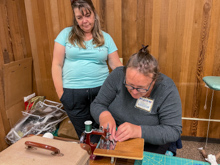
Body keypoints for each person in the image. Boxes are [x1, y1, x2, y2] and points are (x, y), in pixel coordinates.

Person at [90, 45, 182, 154]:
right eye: (129, 85)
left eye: (141, 88)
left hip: (149, 142)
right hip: (114, 135)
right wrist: (104, 116)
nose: (134, 92)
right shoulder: (117, 75)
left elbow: (173, 131)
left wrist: (138, 131)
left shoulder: (166, 88)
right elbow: (98, 103)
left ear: (154, 81)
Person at [51, 0, 122, 139]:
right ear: (75, 18)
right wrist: (61, 94)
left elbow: (116, 65)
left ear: (94, 14)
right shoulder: (65, 34)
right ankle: (90, 157)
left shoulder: (106, 37)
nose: (84, 21)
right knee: (85, 135)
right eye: (79, 17)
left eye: (87, 15)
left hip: (102, 92)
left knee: (103, 132)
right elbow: (56, 64)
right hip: (72, 94)